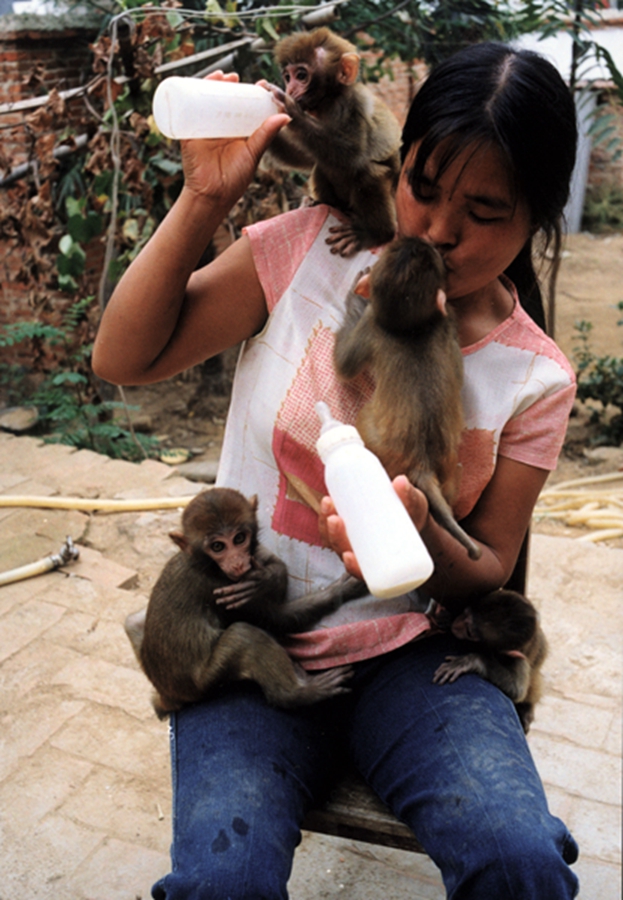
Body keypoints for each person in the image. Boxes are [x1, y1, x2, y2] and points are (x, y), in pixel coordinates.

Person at [93, 41, 580, 900]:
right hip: (252, 644)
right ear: (396, 170)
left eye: (484, 211)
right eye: (421, 189)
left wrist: (426, 534)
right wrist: (204, 196)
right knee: (221, 884)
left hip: (411, 660)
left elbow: (492, 566)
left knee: (521, 862)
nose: (436, 229)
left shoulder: (533, 376)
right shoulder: (314, 252)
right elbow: (123, 357)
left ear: (535, 216)